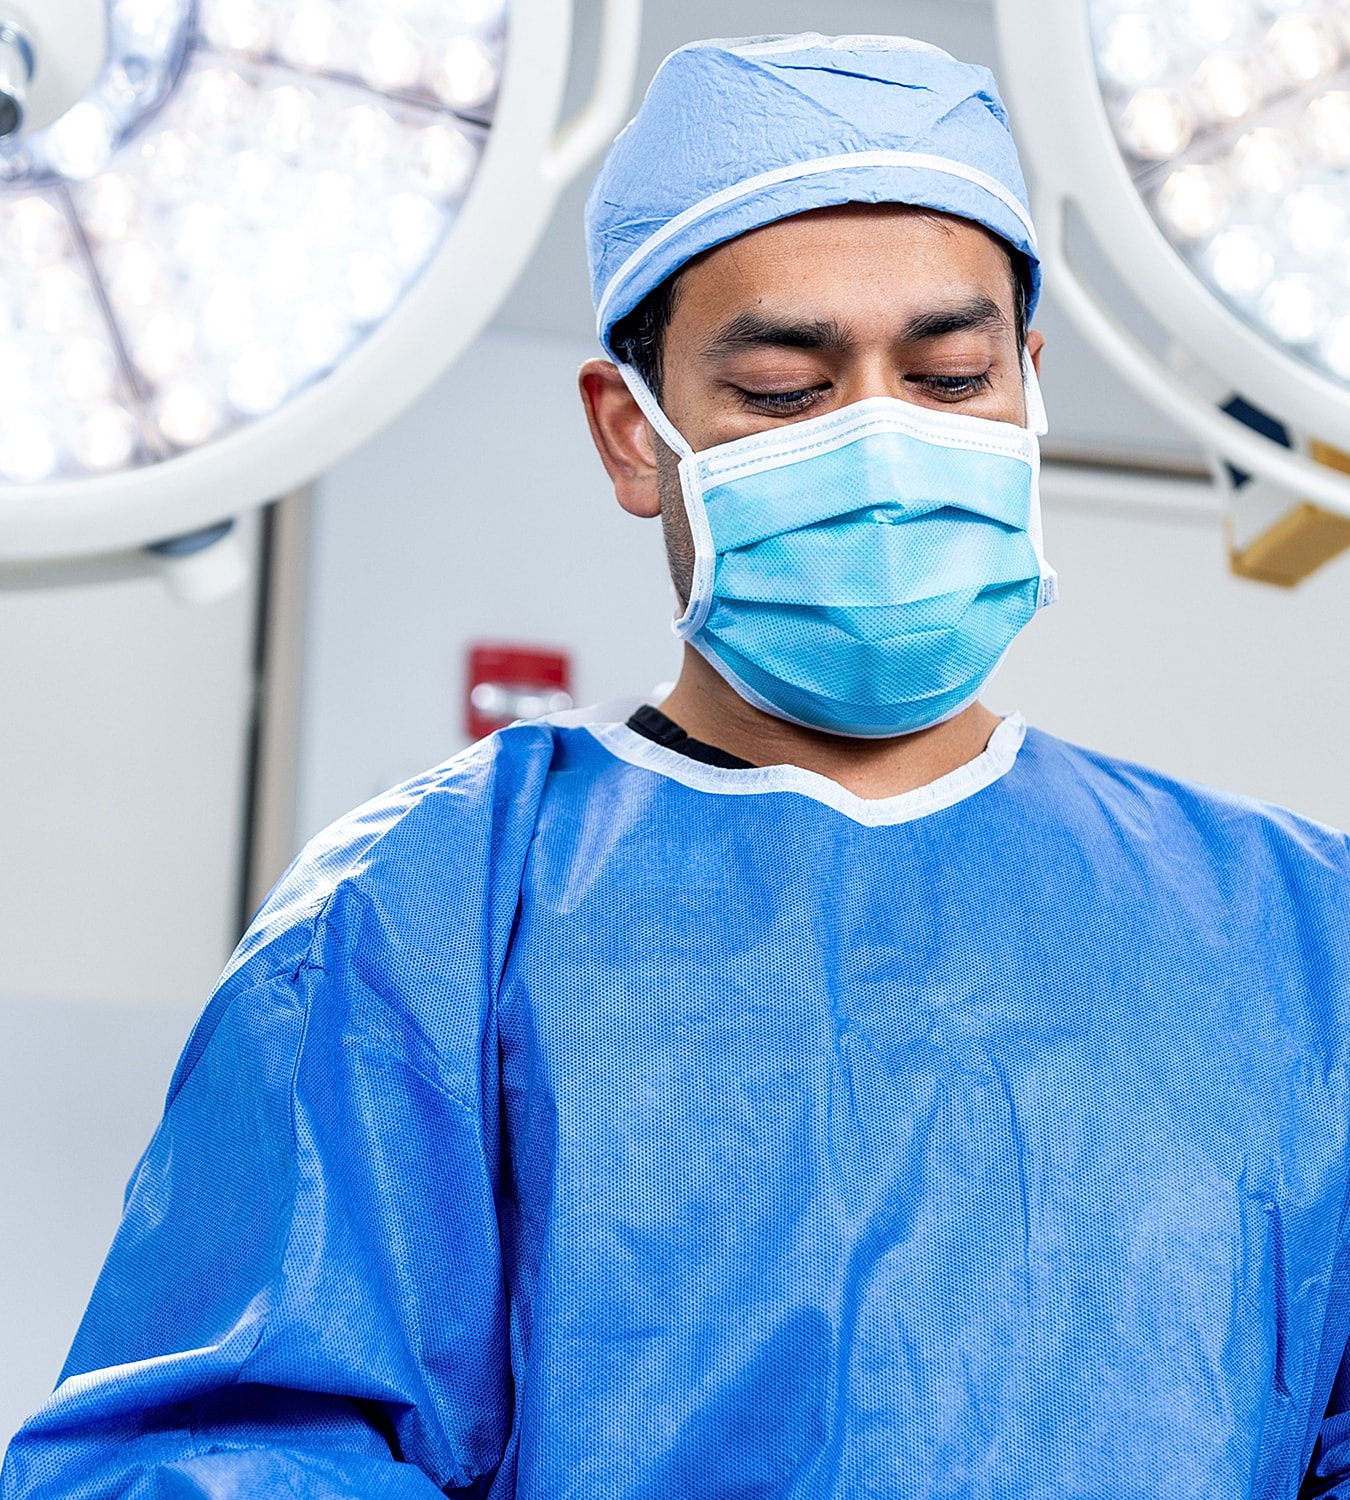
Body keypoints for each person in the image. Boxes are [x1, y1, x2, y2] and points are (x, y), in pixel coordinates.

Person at [5, 32, 1350, 1500]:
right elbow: (223, 1455)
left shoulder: (1295, 931)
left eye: (950, 375)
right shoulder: (431, 915)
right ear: (630, 435)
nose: (886, 442)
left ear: (1026, 386)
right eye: (785, 391)